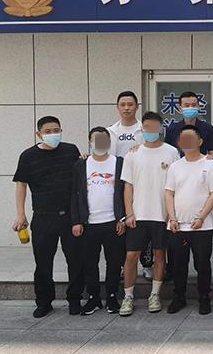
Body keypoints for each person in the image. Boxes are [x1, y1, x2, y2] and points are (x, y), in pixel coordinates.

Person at [12, 116, 84, 318]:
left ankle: (75, 300)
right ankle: (44, 302)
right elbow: (21, 184)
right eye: (48, 131)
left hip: (70, 216)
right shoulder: (28, 156)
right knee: (43, 262)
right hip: (43, 217)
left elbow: (80, 176)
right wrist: (20, 213)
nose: (53, 134)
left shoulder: (71, 150)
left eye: (56, 130)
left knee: (76, 260)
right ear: (39, 134)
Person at [119, 112, 179, 317]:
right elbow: (128, 186)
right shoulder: (132, 154)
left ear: (161, 129)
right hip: (138, 215)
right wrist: (129, 213)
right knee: (131, 256)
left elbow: (175, 185)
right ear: (141, 129)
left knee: (160, 255)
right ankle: (128, 296)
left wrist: (171, 214)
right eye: (146, 127)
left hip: (162, 215)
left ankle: (155, 295)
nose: (150, 131)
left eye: (154, 127)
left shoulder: (172, 152)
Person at [165, 125, 213, 315]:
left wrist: (201, 217)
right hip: (177, 225)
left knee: (202, 264)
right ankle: (178, 297)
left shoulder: (210, 165)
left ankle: (204, 297)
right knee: (178, 264)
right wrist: (172, 218)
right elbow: (169, 193)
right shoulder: (175, 166)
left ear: (200, 141)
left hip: (202, 226)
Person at [71, 127, 126, 315]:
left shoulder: (119, 163)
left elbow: (126, 192)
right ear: (89, 142)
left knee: (114, 262)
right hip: (89, 224)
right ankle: (93, 297)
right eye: (96, 139)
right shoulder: (81, 165)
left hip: (113, 222)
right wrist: (76, 221)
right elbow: (74, 194)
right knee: (89, 263)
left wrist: (122, 218)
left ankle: (112, 296)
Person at [164, 91, 213, 161]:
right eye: (186, 105)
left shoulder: (208, 128)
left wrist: (212, 158)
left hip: (200, 166)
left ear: (198, 107)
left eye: (194, 105)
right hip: (178, 166)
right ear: (180, 108)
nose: (190, 108)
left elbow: (212, 153)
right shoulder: (172, 129)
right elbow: (167, 152)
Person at [108, 91, 143, 158]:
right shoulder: (109, 131)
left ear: (137, 107)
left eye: (130, 104)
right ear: (117, 107)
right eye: (122, 105)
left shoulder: (146, 131)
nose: (126, 108)